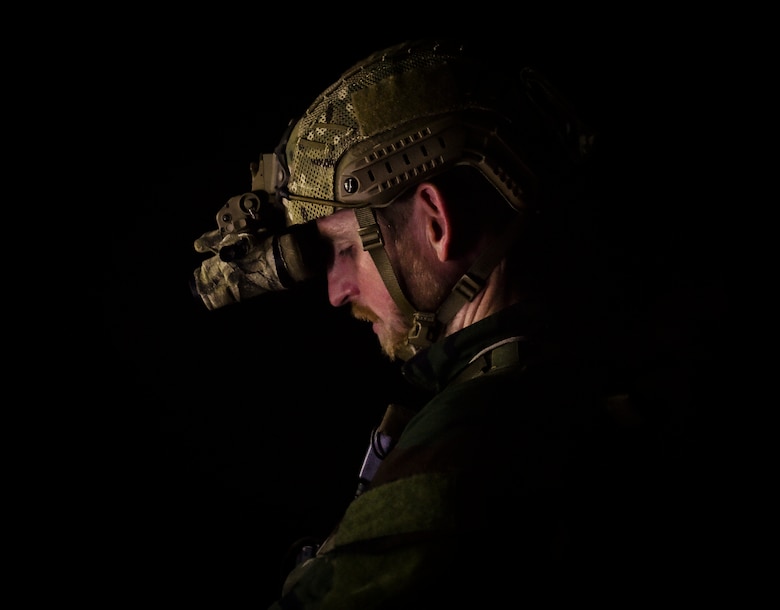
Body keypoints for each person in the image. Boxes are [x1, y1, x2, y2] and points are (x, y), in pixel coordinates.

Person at [192, 39, 686, 607]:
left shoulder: (468, 453)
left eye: (345, 248)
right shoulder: (589, 370)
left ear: (436, 223)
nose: (336, 292)